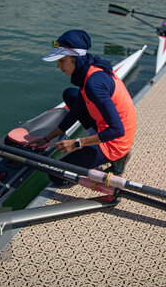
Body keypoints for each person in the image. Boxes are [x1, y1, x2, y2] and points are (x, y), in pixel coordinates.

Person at [26, 30, 137, 184]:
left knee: (56, 176)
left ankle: (118, 159)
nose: (58, 66)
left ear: (75, 58)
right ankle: (94, 145)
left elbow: (117, 129)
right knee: (71, 95)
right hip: (110, 129)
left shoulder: (94, 83)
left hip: (116, 140)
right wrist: (47, 138)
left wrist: (77, 143)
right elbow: (76, 112)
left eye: (61, 61)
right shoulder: (89, 70)